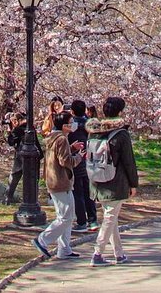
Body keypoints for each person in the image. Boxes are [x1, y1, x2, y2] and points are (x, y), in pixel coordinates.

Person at [86, 95, 139, 267]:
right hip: (115, 182)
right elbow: (128, 161)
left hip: (97, 179)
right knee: (110, 217)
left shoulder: (94, 131)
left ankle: (119, 253)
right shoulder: (121, 134)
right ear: (120, 112)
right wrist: (133, 184)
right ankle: (97, 253)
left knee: (111, 217)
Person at [32, 109, 84, 260]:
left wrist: (72, 148)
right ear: (64, 125)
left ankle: (64, 249)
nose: (73, 125)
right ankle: (43, 240)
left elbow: (59, 155)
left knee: (68, 215)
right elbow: (65, 161)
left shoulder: (55, 137)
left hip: (58, 181)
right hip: (60, 182)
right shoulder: (61, 139)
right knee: (65, 217)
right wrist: (78, 157)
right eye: (70, 123)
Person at [69, 99, 98, 232]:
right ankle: (93, 220)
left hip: (76, 160)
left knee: (78, 193)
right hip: (89, 160)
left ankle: (81, 221)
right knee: (89, 192)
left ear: (72, 111)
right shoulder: (89, 123)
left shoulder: (72, 126)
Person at [4, 111, 27, 204]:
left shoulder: (19, 129)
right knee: (30, 180)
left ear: (18, 120)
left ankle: (8, 198)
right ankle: (30, 199)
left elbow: (11, 142)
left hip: (21, 157)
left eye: (14, 121)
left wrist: (10, 130)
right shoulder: (29, 128)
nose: (13, 123)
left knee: (14, 176)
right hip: (32, 157)